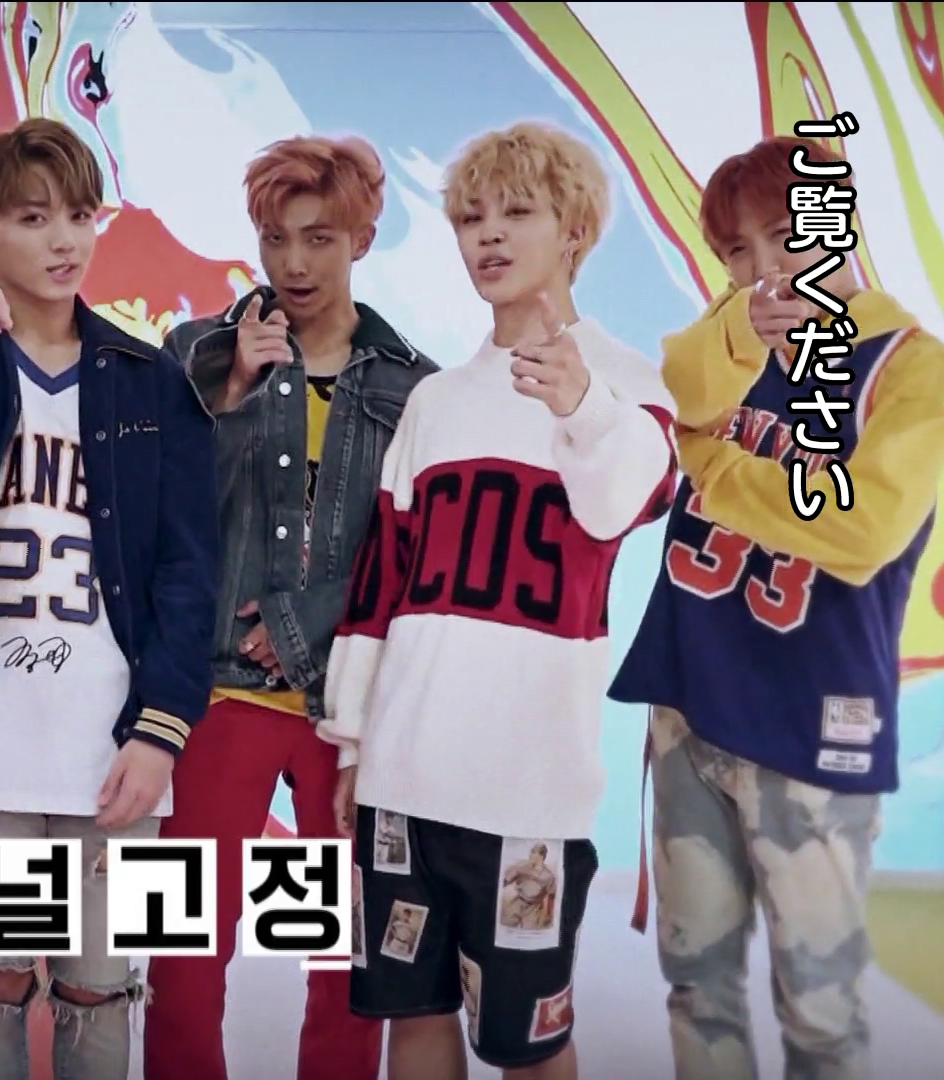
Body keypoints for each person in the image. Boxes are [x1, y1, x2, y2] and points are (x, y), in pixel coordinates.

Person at [0, 117, 218, 1080]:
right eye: (33, 218)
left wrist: (162, 728)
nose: (65, 241)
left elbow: (189, 571)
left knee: (105, 995)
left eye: (80, 216)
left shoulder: (151, 378)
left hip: (114, 741)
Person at [321, 121, 680, 1080]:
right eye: (470, 217)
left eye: (517, 211)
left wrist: (581, 406)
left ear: (576, 230)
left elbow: (629, 503)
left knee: (532, 1042)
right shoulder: (436, 401)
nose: (488, 234)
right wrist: (353, 742)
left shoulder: (627, 386)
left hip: (532, 789)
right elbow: (383, 583)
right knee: (413, 1015)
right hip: (404, 775)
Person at [608, 135, 944, 1080]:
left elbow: (864, 527)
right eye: (738, 251)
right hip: (690, 703)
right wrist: (728, 357)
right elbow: (677, 391)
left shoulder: (910, 364)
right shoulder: (727, 343)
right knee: (696, 983)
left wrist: (714, 465)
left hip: (815, 717)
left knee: (819, 1008)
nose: (765, 268)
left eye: (785, 235)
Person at [143, 133, 439, 1080]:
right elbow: (167, 515)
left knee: (342, 955)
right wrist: (234, 390)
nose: (295, 264)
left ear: (363, 238)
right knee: (184, 950)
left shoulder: (412, 384)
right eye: (276, 239)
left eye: (319, 238)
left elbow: (414, 555)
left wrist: (308, 619)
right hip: (215, 695)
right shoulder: (196, 352)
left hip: (344, 711)